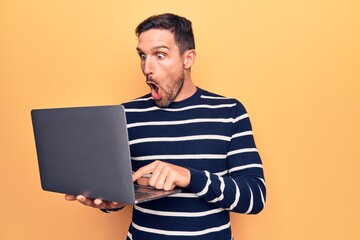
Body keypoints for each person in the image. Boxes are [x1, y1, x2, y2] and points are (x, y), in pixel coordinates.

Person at [65, 13, 266, 240]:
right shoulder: (125, 114)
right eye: (142, 56)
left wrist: (190, 177)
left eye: (160, 55)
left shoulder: (229, 112)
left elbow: (255, 197)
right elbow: (122, 186)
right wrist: (111, 201)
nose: (147, 68)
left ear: (187, 59)